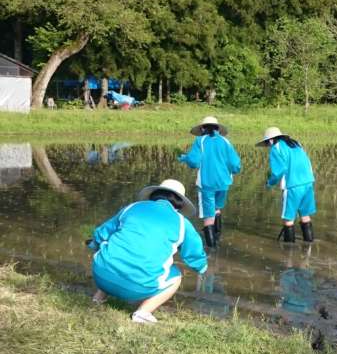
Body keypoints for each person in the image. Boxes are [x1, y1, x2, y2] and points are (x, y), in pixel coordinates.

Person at [88, 179, 207, 324]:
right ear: (180, 203)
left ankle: (98, 298)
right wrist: (202, 268)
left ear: (155, 194)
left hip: (100, 275)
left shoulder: (133, 207)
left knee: (115, 251)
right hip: (135, 288)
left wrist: (94, 244)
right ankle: (142, 313)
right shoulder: (182, 223)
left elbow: (102, 233)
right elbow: (194, 254)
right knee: (176, 276)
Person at [178, 116, 241, 250]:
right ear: (218, 129)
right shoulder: (226, 141)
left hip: (207, 184)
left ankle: (211, 250)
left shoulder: (200, 140)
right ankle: (218, 234)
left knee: (208, 216)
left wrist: (185, 159)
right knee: (217, 208)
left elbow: (194, 162)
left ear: (202, 128)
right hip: (224, 183)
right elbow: (235, 165)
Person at [256, 127, 316, 243]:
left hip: (293, 185)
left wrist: (269, 183)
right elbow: (307, 161)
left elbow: (278, 171)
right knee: (305, 215)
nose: (268, 146)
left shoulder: (276, 148)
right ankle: (309, 246)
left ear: (271, 140)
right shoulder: (296, 143)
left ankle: (288, 252)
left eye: (267, 143)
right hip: (308, 183)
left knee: (288, 219)